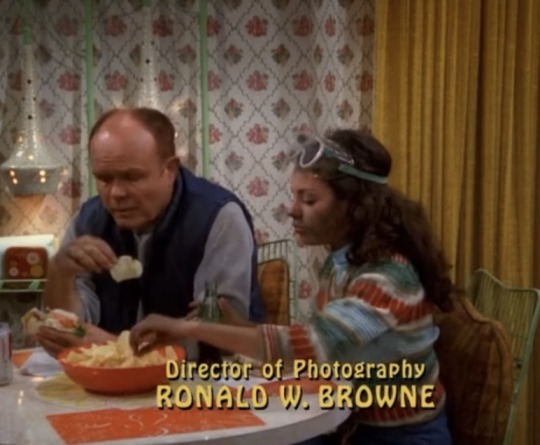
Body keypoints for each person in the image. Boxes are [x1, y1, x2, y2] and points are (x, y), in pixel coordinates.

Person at [129, 129, 454, 445]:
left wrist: (188, 328)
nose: (293, 210)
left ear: (354, 206)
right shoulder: (342, 262)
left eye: (309, 199)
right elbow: (321, 346)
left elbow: (311, 346)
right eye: (294, 196)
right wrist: (239, 327)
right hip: (348, 423)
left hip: (399, 435)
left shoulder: (387, 278)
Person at [37, 106, 265, 360]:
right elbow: (71, 324)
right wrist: (60, 272)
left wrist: (114, 346)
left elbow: (220, 341)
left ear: (170, 170)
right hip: (108, 378)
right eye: (104, 179)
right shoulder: (87, 220)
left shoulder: (219, 217)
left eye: (132, 177)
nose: (116, 193)